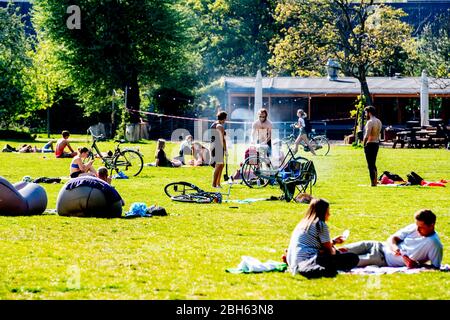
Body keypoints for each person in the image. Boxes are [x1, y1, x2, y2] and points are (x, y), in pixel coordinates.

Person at [341, 209, 443, 269]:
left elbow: (435, 267)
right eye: (417, 225)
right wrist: (394, 248)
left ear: (431, 225)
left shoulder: (434, 244)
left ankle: (326, 263)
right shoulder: (414, 227)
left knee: (347, 261)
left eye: (421, 227)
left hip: (381, 259)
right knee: (341, 250)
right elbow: (392, 238)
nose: (417, 229)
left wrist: (417, 265)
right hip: (378, 245)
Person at [286, 198, 359, 277]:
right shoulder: (320, 224)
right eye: (327, 212)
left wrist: (334, 241)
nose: (329, 214)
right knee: (352, 258)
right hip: (308, 262)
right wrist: (336, 252)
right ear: (323, 212)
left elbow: (315, 244)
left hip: (293, 263)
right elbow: (329, 251)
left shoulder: (302, 223)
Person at [363, 106, 382, 186]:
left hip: (370, 144)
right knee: (373, 163)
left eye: (366, 113)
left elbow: (367, 135)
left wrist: (364, 144)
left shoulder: (370, 122)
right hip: (376, 143)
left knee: (370, 164)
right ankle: (375, 181)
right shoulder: (379, 121)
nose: (365, 114)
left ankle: (373, 182)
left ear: (369, 112)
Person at [210, 111, 228, 188]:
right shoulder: (220, 126)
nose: (225, 121)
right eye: (225, 119)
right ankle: (214, 184)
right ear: (223, 118)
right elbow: (222, 139)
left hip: (214, 145)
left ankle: (218, 183)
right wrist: (225, 149)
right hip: (218, 146)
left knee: (221, 165)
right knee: (218, 165)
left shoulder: (214, 124)